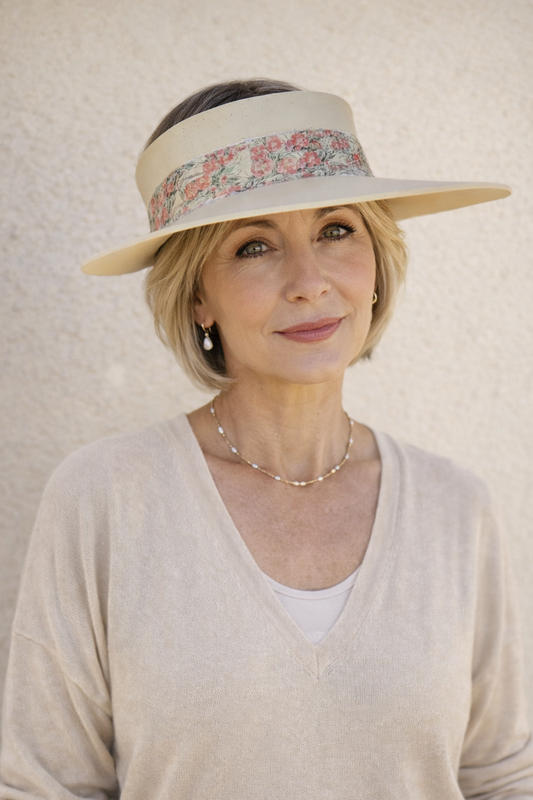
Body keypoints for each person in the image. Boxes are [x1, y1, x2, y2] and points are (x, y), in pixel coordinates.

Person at [1, 78, 531, 800]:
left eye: (336, 230)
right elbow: (44, 785)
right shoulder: (104, 498)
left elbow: (503, 778)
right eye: (254, 246)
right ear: (196, 296)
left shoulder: (454, 508)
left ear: (376, 263)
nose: (309, 282)